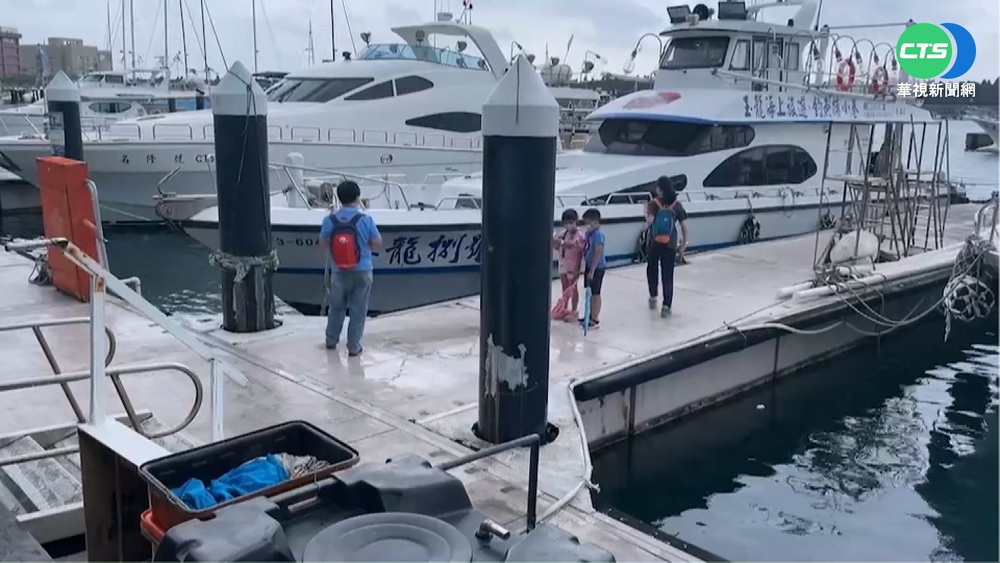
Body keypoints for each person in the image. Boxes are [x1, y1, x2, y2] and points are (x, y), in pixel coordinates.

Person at [319, 180, 382, 356]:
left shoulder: (330, 221)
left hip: (339, 271)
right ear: (357, 197)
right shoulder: (365, 220)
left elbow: (323, 244)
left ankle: (331, 340)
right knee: (358, 310)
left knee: (337, 308)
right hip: (362, 270)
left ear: (339, 197)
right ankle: (354, 346)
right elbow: (377, 242)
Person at [645, 176, 689, 317]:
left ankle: (653, 296)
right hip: (670, 243)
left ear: (660, 189)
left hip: (655, 242)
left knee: (652, 269)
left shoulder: (653, 203)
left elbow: (649, 222)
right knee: (668, 274)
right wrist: (683, 244)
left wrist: (645, 210)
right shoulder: (677, 205)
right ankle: (666, 305)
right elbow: (683, 226)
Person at [552, 209, 586, 319]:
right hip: (563, 263)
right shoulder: (563, 233)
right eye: (566, 223)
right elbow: (557, 247)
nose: (568, 225)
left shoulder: (579, 235)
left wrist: (561, 243)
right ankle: (564, 307)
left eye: (571, 222)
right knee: (565, 287)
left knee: (573, 288)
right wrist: (554, 242)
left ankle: (574, 309)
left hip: (574, 265)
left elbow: (573, 246)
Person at [581, 208, 606, 329]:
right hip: (589, 265)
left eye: (588, 222)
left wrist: (592, 270)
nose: (587, 225)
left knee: (596, 292)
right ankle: (589, 315)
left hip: (597, 267)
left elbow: (598, 252)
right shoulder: (589, 234)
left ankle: (595, 318)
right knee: (588, 292)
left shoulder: (598, 235)